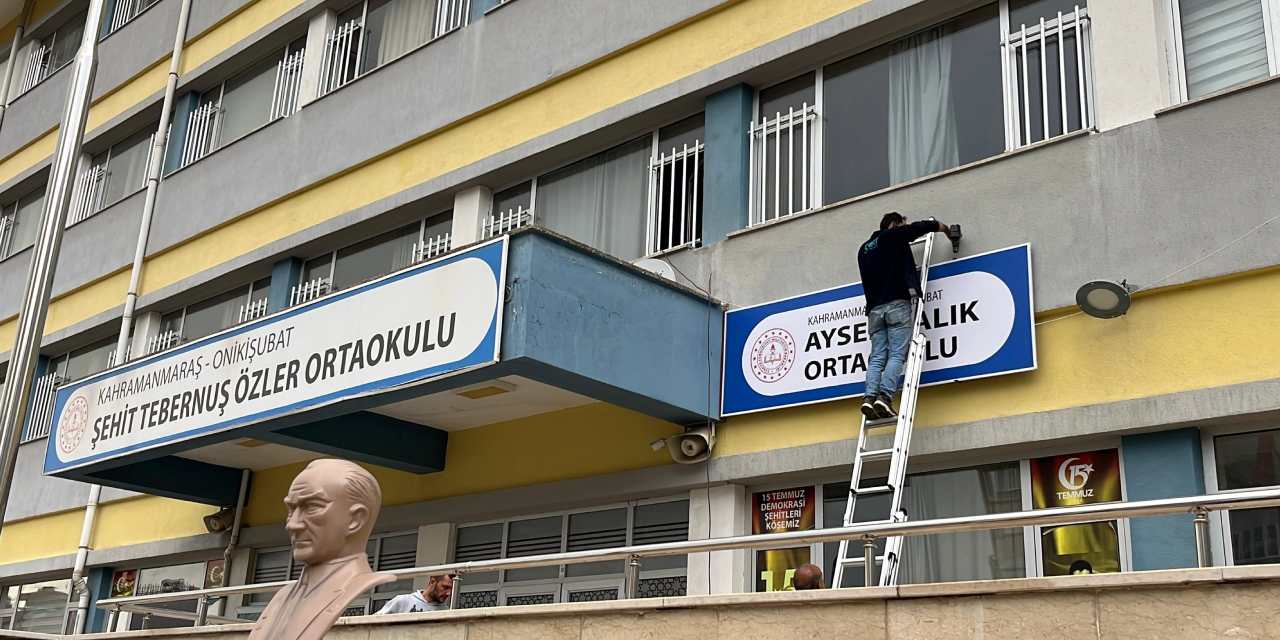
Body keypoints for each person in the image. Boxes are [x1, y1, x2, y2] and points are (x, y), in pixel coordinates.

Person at [248, 459, 394, 640]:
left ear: (356, 519)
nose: (292, 525)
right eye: (291, 509)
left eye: (311, 507)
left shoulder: (355, 588)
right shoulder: (281, 597)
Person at [857, 212, 953, 419]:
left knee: (877, 358)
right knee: (897, 355)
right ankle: (885, 397)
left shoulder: (863, 249)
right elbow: (918, 228)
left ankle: (869, 398)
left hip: (874, 311)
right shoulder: (891, 237)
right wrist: (943, 228)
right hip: (896, 305)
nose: (904, 227)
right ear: (893, 225)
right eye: (902, 224)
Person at [377, 574, 455, 614]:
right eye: (445, 587)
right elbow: (372, 623)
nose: (449, 593)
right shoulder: (403, 601)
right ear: (432, 581)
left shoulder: (445, 611)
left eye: (451, 589)